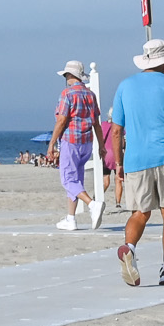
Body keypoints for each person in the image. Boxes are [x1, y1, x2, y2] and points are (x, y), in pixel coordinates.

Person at [107, 38, 164, 286]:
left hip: (136, 159)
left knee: (140, 213)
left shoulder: (125, 86)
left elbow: (116, 131)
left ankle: (130, 248)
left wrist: (119, 163)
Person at [45, 60, 109, 231]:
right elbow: (96, 123)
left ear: (69, 75)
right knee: (76, 179)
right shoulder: (90, 94)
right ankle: (71, 218)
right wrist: (102, 145)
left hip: (70, 141)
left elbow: (62, 120)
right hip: (87, 142)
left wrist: (52, 143)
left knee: (68, 179)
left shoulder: (67, 94)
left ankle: (91, 204)